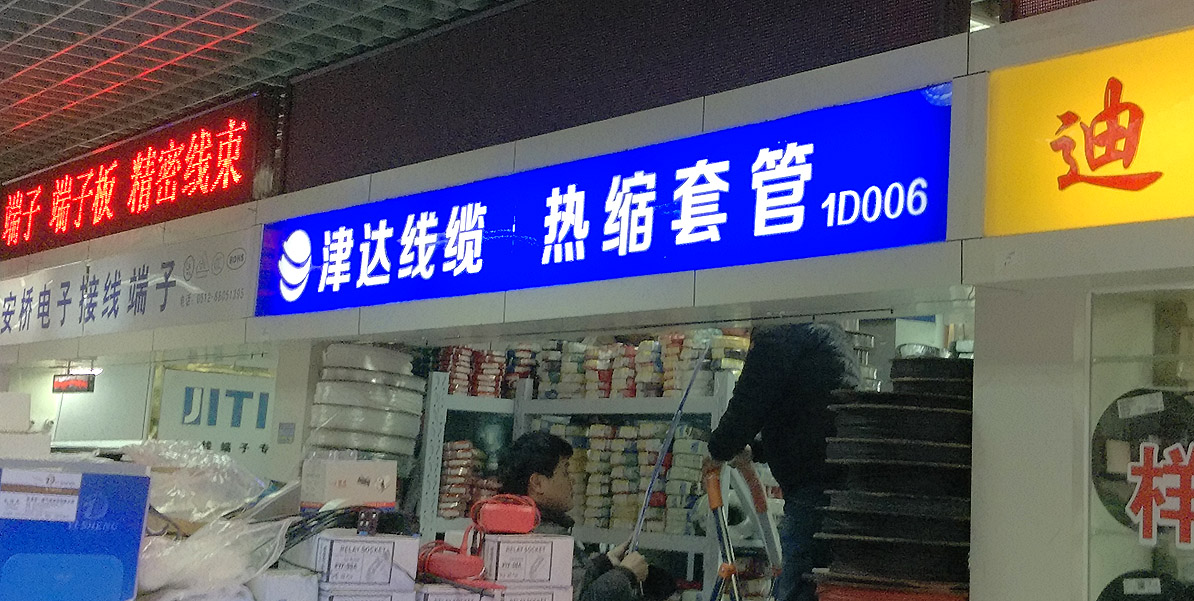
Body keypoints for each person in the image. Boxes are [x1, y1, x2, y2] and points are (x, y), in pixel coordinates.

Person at [704, 323, 860, 601]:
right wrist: (756, 450)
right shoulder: (823, 332)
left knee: (801, 584)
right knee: (818, 584)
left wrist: (718, 450)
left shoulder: (779, 332)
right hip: (837, 478)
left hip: (814, 485)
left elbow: (749, 401)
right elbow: (803, 413)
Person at [496, 431, 653, 601]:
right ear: (538, 483)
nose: (572, 481)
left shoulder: (521, 525)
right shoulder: (540, 537)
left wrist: (605, 562)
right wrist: (626, 574)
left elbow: (571, 582)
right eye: (565, 472)